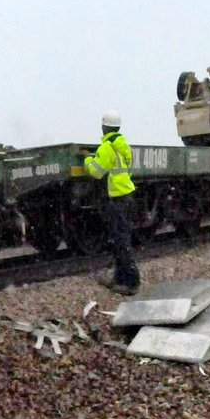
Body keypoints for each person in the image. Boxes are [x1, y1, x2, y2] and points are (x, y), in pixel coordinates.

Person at [84, 110, 140, 296]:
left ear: (104, 126)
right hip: (126, 196)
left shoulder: (107, 147)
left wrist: (87, 159)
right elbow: (128, 170)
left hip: (116, 199)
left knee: (120, 241)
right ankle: (119, 279)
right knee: (120, 239)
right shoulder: (124, 146)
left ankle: (131, 282)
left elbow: (96, 171)